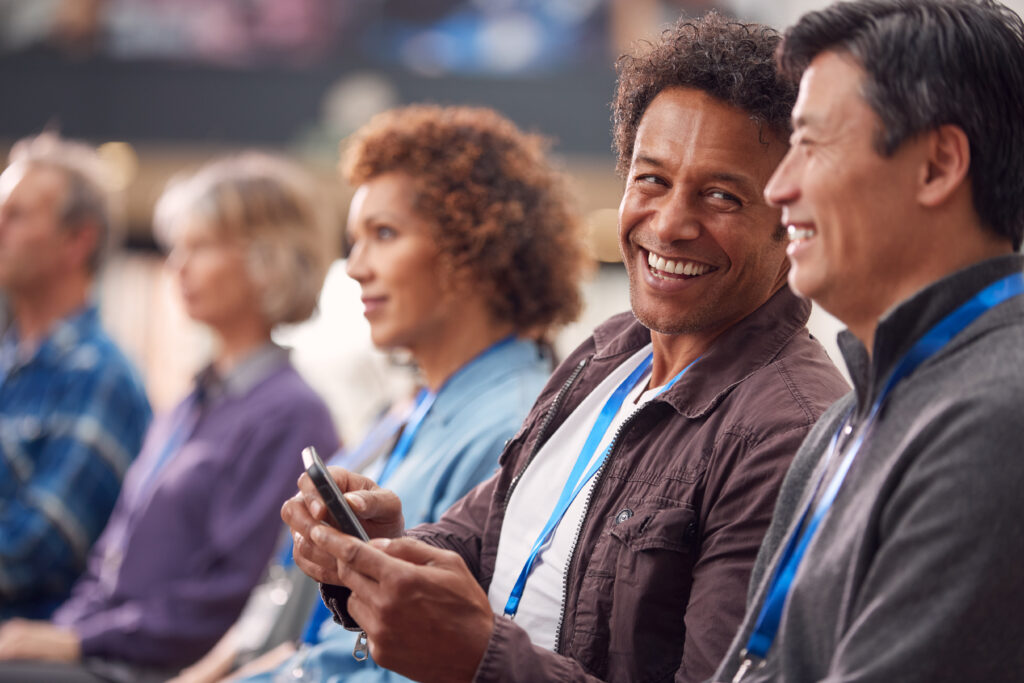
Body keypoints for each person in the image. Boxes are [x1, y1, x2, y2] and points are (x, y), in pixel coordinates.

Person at [283, 14, 851, 683]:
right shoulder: (608, 353)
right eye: (651, 180)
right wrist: (382, 552)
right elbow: (488, 535)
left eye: (722, 196)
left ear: (792, 217)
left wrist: (482, 659)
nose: (671, 223)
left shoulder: (787, 434)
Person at [171, 104, 590, 683]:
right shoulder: (413, 412)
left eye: (384, 234)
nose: (354, 267)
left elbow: (426, 659)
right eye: (354, 240)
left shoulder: (511, 426)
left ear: (473, 247)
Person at [711, 1, 1024, 682]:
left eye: (811, 144)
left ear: (937, 165)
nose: (779, 186)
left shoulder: (998, 419)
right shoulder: (848, 419)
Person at [0, 153, 339, 682]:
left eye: (200, 246)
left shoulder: (291, 415)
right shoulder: (190, 404)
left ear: (267, 259)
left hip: (164, 669)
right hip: (107, 652)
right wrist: (55, 635)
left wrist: (76, 639)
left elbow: (229, 599)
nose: (177, 265)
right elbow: (109, 561)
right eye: (178, 247)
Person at [0, 133, 151, 621]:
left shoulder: (101, 377)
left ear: (77, 241)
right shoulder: (9, 364)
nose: (0, 226)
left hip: (29, 642)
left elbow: (38, 547)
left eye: (16, 215)